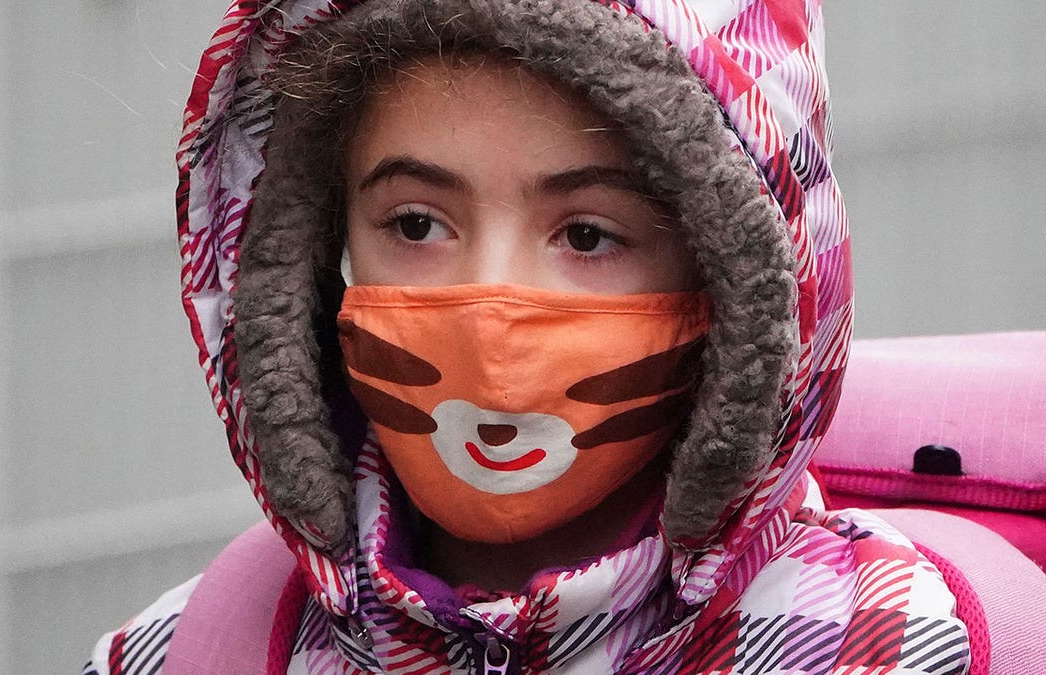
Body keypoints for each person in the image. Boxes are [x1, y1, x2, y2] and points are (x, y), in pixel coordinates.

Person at [84, 1, 977, 672]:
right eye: (417, 224)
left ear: (734, 280)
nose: (493, 309)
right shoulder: (182, 653)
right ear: (313, 251)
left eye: (587, 235)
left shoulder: (885, 646)